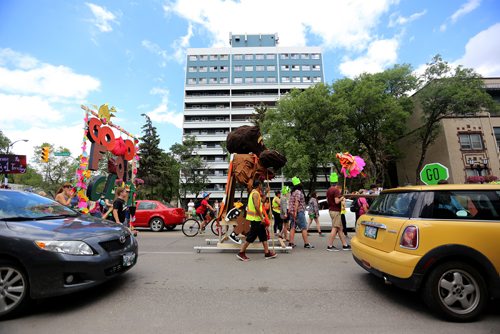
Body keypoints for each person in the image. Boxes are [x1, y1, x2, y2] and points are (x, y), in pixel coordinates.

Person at [237, 180, 277, 261]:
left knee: (263, 236)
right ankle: (241, 253)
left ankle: (267, 253)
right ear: (259, 185)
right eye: (261, 185)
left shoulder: (256, 193)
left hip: (257, 219)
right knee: (251, 237)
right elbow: (256, 207)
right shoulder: (255, 194)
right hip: (256, 219)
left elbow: (262, 201)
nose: (262, 186)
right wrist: (262, 218)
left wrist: (266, 192)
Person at [326, 175, 351, 252]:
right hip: (336, 211)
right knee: (335, 228)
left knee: (340, 228)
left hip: (331, 210)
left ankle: (345, 245)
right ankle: (329, 246)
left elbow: (328, 201)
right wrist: (342, 198)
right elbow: (337, 201)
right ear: (336, 182)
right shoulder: (336, 190)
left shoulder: (329, 190)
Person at [288, 177, 314, 249]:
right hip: (299, 212)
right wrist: (296, 212)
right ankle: (306, 244)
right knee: (304, 228)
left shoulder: (292, 192)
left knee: (292, 227)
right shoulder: (298, 192)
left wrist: (293, 212)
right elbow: (297, 202)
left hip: (292, 212)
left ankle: (291, 243)